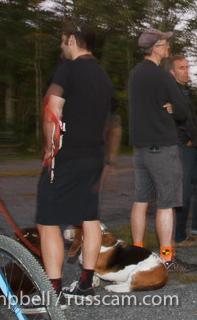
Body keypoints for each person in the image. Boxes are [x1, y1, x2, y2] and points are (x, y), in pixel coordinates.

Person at [35, 22, 116, 300]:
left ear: (71, 39)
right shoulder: (103, 76)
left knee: (47, 221)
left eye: (62, 41)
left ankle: (53, 292)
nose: (61, 47)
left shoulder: (67, 70)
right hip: (94, 156)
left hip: (67, 156)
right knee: (89, 217)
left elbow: (53, 112)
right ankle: (85, 284)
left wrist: (49, 147)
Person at [128, 29, 197, 272]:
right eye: (165, 44)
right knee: (166, 204)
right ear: (155, 48)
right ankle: (167, 257)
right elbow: (182, 111)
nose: (168, 47)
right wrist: (171, 108)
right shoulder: (162, 76)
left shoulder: (135, 74)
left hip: (140, 148)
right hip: (162, 147)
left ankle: (137, 253)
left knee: (140, 200)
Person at [169, 55, 197, 247]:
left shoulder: (187, 92)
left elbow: (192, 123)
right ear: (172, 72)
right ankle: (179, 237)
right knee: (183, 194)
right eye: (181, 68)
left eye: (187, 67)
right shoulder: (170, 93)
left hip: (192, 148)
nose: (186, 71)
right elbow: (174, 122)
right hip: (180, 148)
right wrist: (183, 141)